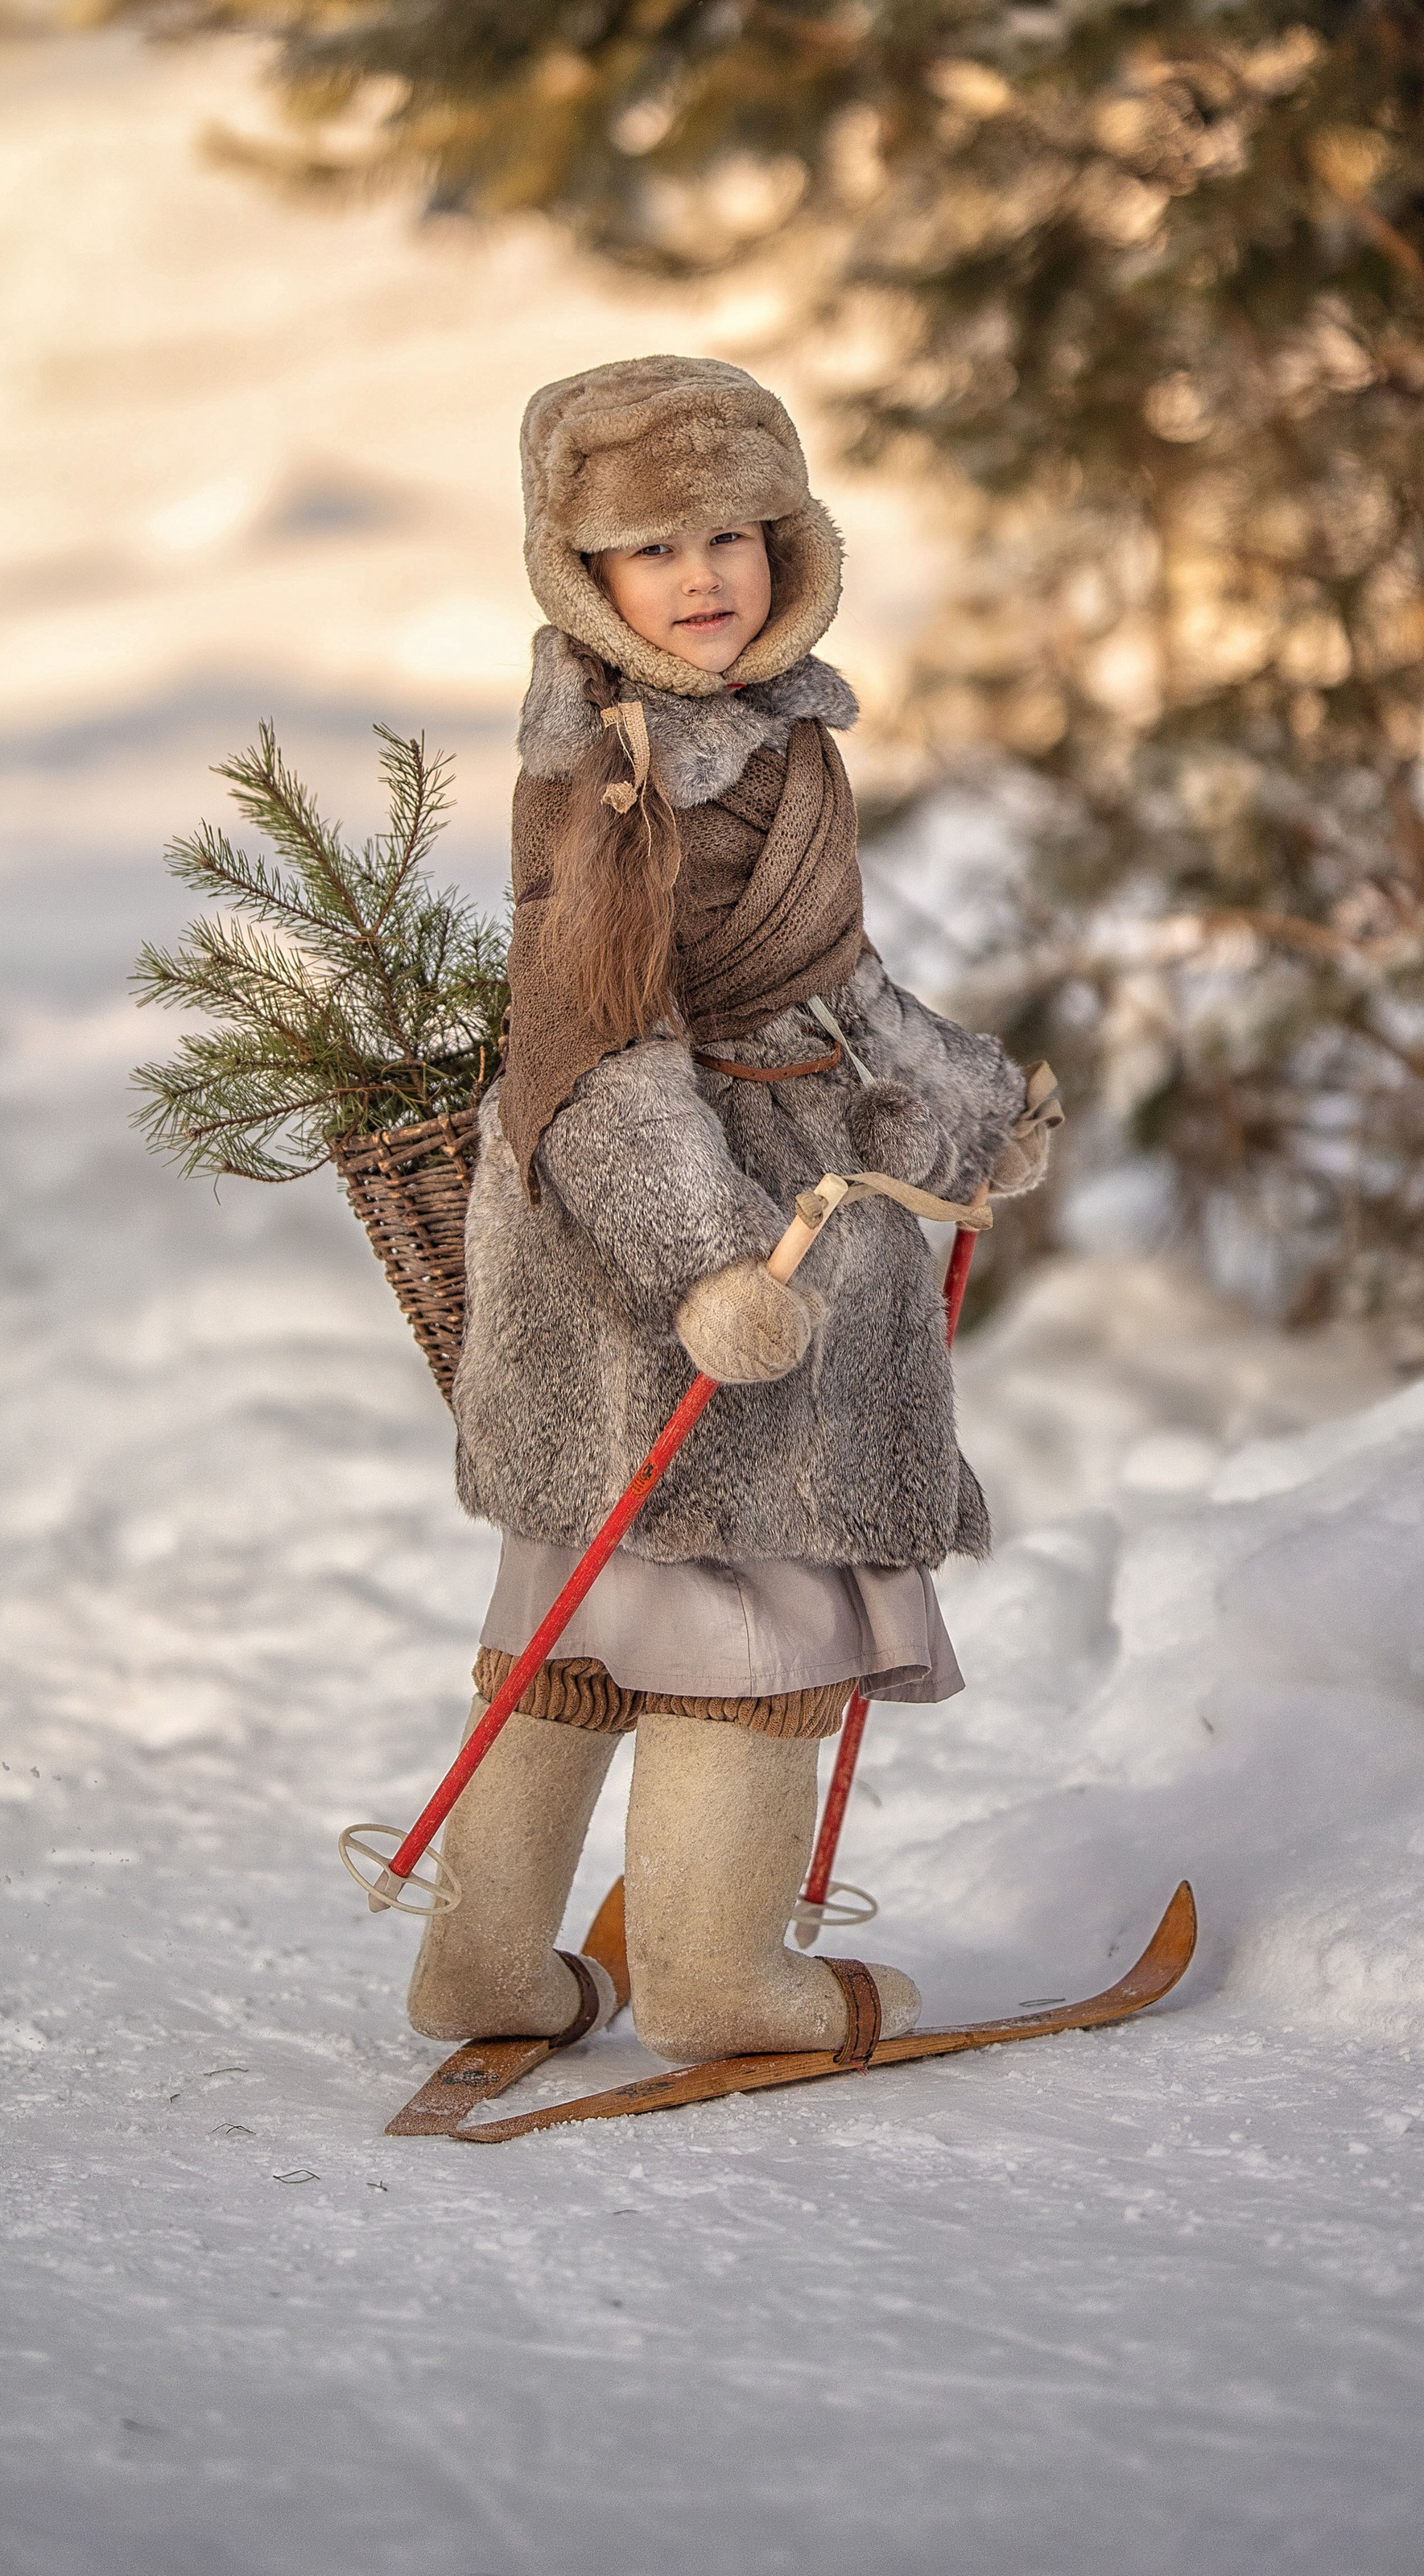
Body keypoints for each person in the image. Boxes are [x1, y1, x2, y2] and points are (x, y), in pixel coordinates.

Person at [407, 354, 1055, 2067]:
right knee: (748, 1594)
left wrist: (966, 1105)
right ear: (584, 579)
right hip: (681, 1227)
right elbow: (599, 1048)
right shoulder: (620, 772)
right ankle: (712, 1980)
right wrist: (704, 1262)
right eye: (648, 549)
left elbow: (825, 983)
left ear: (789, 540)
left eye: (728, 534)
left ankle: (484, 1964)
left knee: (588, 1592)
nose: (699, 577)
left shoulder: (760, 735)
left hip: (729, 1195)